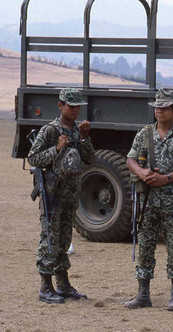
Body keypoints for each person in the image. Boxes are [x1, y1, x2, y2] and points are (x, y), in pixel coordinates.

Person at [125, 88, 173, 311]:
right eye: (157, 107)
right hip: (147, 200)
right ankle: (143, 294)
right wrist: (142, 173)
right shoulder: (144, 133)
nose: (159, 111)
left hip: (172, 199)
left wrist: (166, 178)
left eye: (165, 108)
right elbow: (130, 159)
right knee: (145, 245)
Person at [27, 88, 95, 303]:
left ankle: (63, 285)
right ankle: (45, 287)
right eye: (70, 106)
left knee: (64, 239)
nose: (75, 110)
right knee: (50, 239)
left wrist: (84, 139)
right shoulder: (50, 130)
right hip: (53, 195)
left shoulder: (77, 130)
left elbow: (90, 159)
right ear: (60, 106)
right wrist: (56, 149)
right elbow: (33, 158)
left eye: (77, 107)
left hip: (70, 194)